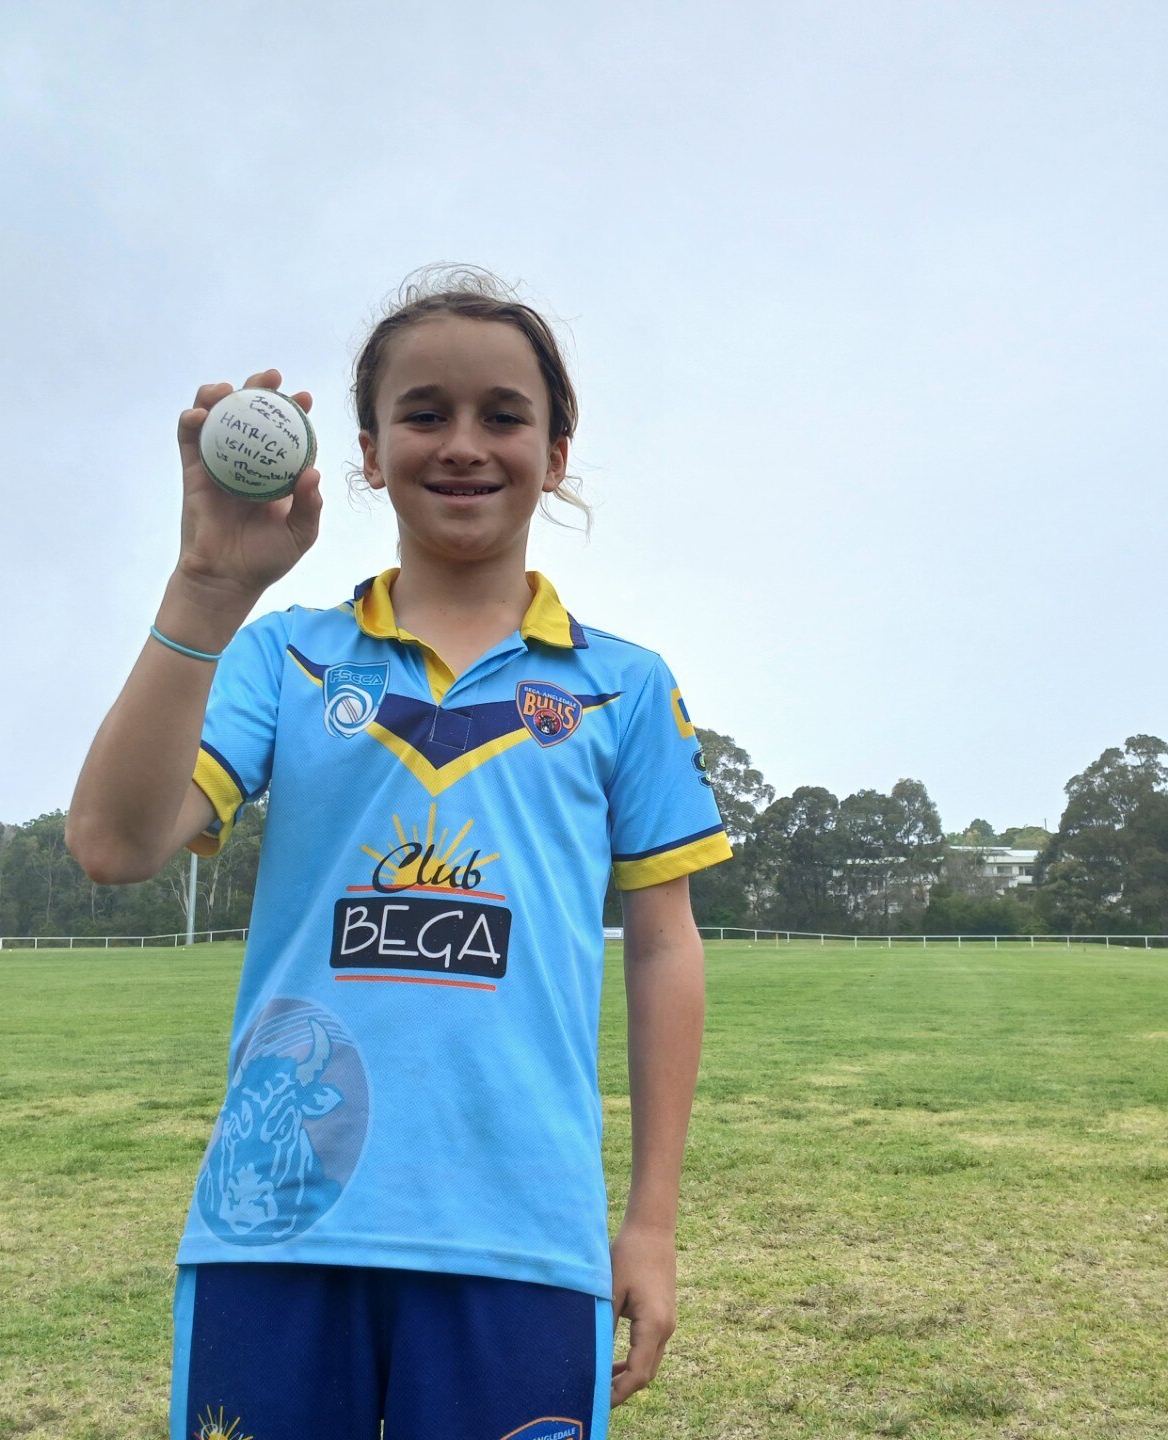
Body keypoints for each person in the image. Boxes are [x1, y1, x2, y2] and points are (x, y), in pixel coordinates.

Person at [66, 267, 730, 1440]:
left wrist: (653, 1225)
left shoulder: (623, 686)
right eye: (424, 413)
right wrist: (208, 586)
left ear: (557, 451)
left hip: (524, 1234)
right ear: (367, 451)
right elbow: (113, 845)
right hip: (277, 1222)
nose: (463, 444)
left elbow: (665, 952)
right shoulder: (285, 657)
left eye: (503, 415)